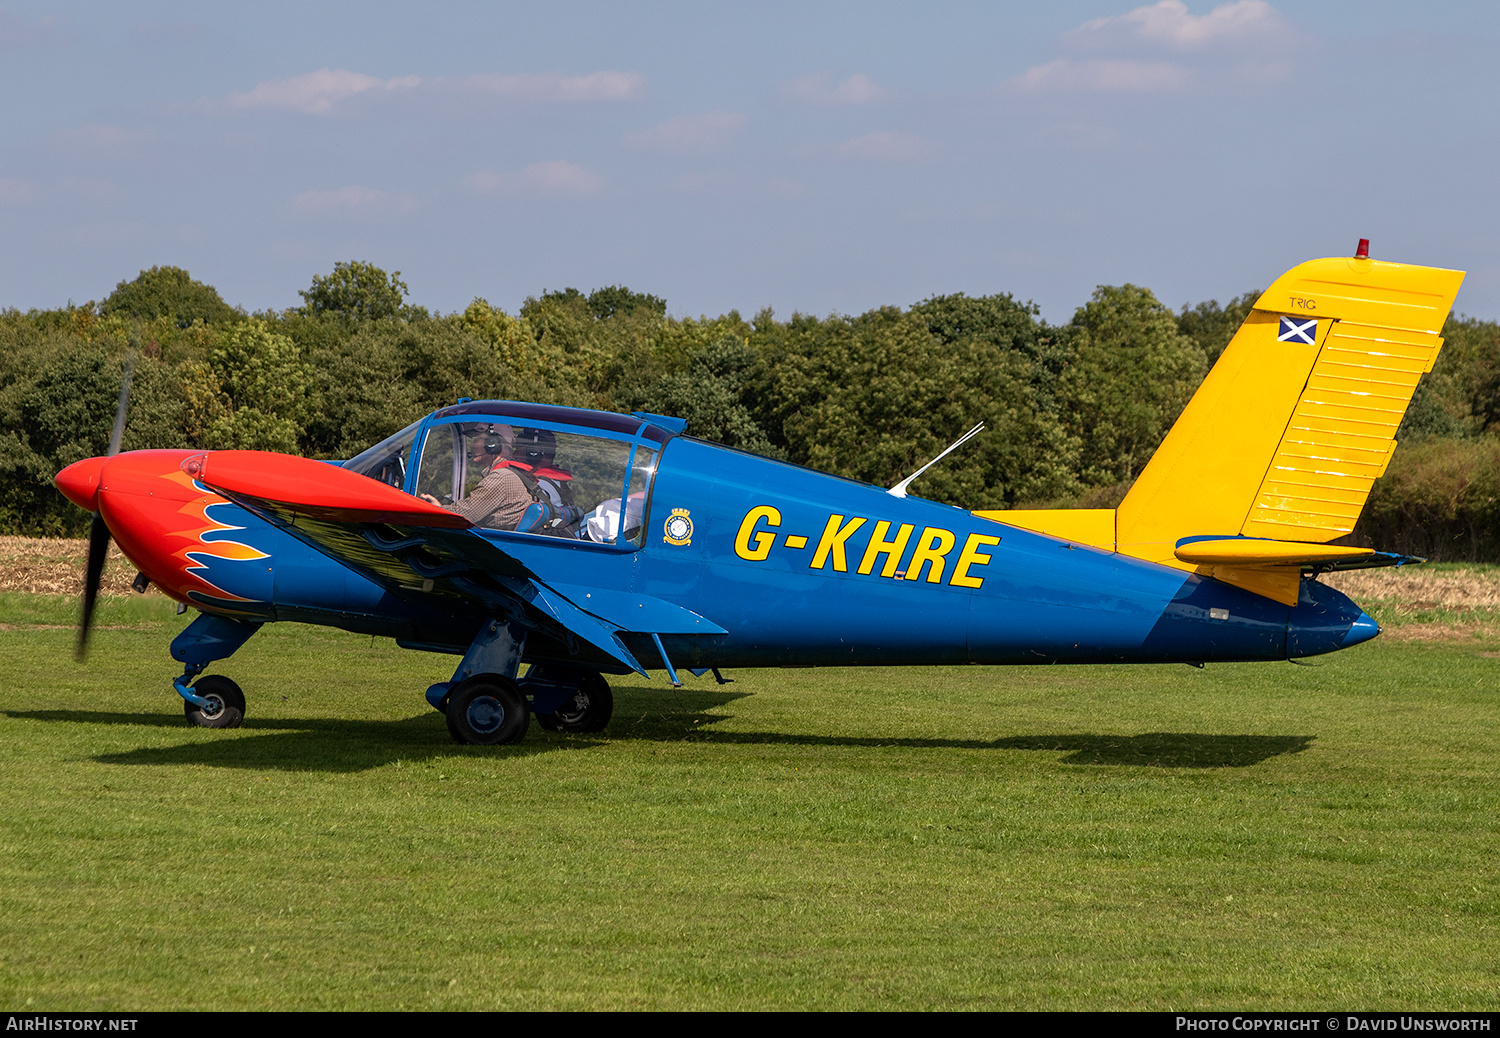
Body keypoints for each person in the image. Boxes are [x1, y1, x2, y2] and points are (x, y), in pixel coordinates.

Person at [419, 423, 534, 530]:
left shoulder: (500, 479)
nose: (471, 445)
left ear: (492, 444)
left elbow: (462, 516)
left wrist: (433, 509)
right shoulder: (511, 473)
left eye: (476, 439)